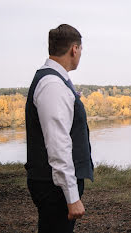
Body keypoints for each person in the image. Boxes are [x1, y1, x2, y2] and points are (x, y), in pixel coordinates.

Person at [25, 24, 94, 233]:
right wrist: (72, 197)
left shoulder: (55, 80)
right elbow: (58, 144)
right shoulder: (52, 85)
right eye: (81, 49)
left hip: (54, 185)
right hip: (53, 187)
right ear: (74, 49)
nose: (81, 54)